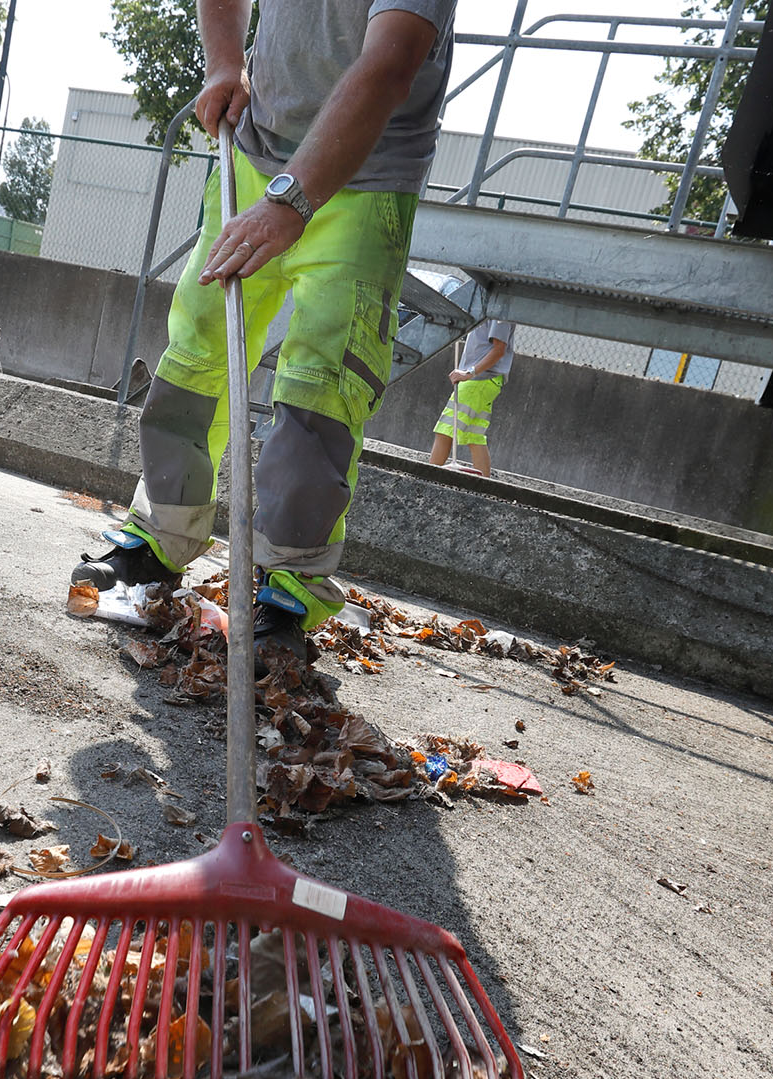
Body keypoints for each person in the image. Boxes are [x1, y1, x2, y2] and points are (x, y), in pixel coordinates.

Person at [72, 0, 457, 640]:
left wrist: (295, 199)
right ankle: (162, 536)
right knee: (197, 350)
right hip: (255, 152)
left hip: (367, 173)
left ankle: (289, 584)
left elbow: (391, 64)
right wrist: (226, 64)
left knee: (322, 384)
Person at [428, 318, 515, 477]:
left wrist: (470, 373)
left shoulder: (500, 312)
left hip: (479, 380)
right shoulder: (490, 309)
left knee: (445, 430)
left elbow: (499, 349)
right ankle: (484, 489)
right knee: (475, 436)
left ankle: (426, 480)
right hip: (484, 381)